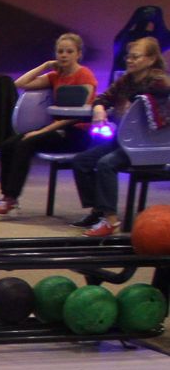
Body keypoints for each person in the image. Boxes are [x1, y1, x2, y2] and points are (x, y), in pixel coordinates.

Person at [0, 33, 96, 217]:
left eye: (69, 51)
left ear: (79, 54)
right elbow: (20, 83)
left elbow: (77, 115)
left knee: (26, 143)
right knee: (8, 145)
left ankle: (10, 199)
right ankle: (7, 197)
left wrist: (41, 132)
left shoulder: (85, 75)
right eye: (60, 51)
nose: (64, 55)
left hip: (76, 133)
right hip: (56, 129)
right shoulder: (55, 75)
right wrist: (46, 65)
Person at [71, 36, 170, 237]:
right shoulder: (126, 80)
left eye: (135, 57)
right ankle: (99, 210)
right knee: (82, 161)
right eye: (128, 57)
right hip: (125, 141)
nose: (130, 60)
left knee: (106, 164)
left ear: (151, 59)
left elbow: (149, 98)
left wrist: (123, 105)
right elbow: (104, 98)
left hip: (148, 145)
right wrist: (99, 107)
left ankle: (110, 221)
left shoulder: (160, 81)